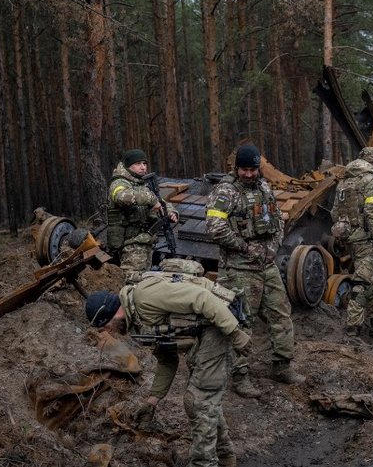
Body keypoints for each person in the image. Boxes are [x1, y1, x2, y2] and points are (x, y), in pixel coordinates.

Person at [84, 258, 251, 467]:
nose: (108, 333)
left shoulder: (145, 297)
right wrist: (153, 400)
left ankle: (204, 463)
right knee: (204, 400)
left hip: (220, 323)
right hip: (205, 332)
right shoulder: (135, 322)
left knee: (199, 400)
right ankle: (226, 456)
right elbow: (167, 358)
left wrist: (235, 332)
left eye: (105, 327)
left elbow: (202, 298)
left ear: (109, 315)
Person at [205, 144, 305, 398]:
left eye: (253, 169)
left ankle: (282, 365)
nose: (249, 174)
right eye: (245, 169)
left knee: (281, 314)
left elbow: (277, 221)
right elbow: (215, 227)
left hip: (266, 265)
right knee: (241, 322)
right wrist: (244, 248)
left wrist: (273, 246)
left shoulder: (264, 187)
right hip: (239, 268)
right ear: (237, 168)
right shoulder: (226, 192)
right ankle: (240, 376)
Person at [331, 146, 373, 337]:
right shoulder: (372, 182)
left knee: (369, 278)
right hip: (366, 239)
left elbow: (334, 212)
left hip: (348, 237)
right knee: (362, 281)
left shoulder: (344, 182)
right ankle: (352, 325)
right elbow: (372, 212)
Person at [105, 148, 179, 285]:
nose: (143, 167)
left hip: (146, 241)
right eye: (138, 163)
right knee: (133, 283)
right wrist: (151, 200)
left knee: (145, 282)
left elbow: (160, 201)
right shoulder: (119, 183)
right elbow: (121, 197)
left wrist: (171, 212)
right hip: (130, 242)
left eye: (144, 164)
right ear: (128, 165)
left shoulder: (143, 183)